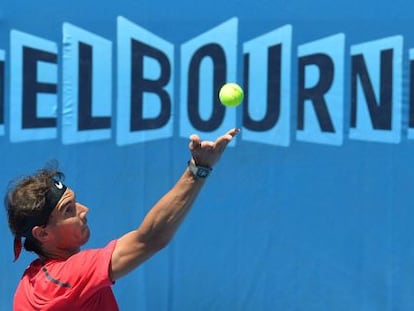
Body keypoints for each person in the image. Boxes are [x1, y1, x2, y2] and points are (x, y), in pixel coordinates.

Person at [5, 128, 239, 311]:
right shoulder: (64, 280)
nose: (84, 210)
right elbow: (149, 240)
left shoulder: (30, 282)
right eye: (68, 210)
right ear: (42, 233)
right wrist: (198, 170)